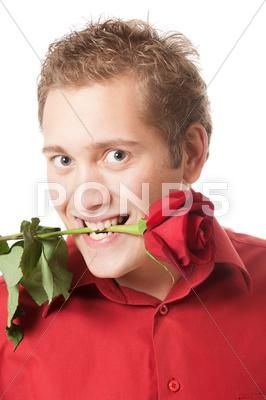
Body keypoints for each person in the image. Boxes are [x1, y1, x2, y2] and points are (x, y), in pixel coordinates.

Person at [0, 17, 265, 400]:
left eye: (116, 155)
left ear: (191, 153)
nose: (85, 198)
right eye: (63, 160)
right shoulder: (13, 310)